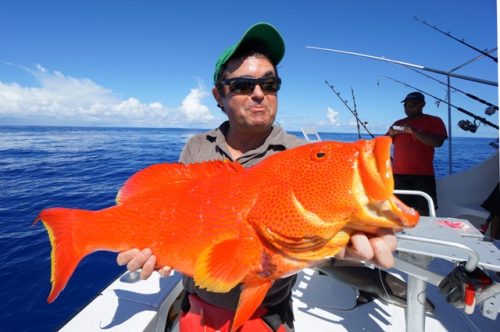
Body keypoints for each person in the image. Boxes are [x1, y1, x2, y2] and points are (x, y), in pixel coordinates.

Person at [117, 22, 398, 331]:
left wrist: (356, 232)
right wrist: (152, 254)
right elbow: (175, 216)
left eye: (269, 83)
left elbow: (322, 234)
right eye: (242, 85)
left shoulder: (299, 155)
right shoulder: (197, 146)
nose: (259, 94)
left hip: (267, 313)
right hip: (195, 308)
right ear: (218, 96)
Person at [387, 92, 448, 216]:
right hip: (398, 174)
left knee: (424, 210)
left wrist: (412, 131)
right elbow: (384, 142)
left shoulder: (434, 121)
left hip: (423, 174)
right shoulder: (398, 123)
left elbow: (437, 142)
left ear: (422, 105)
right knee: (399, 210)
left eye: (413, 105)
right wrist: (390, 134)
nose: (408, 108)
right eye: (406, 105)